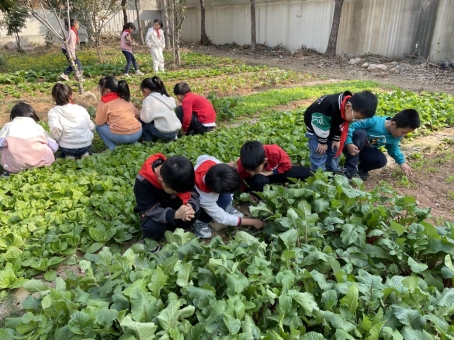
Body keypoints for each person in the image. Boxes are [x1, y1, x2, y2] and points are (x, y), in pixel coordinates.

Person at [133, 153, 201, 252]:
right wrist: (174, 214)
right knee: (152, 227)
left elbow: (192, 192)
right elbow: (148, 208)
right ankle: (151, 243)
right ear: (160, 181)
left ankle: (177, 231)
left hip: (176, 208)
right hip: (156, 213)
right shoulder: (143, 181)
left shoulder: (182, 173)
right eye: (175, 192)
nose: (177, 193)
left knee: (195, 210)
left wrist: (190, 206)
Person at [192, 155, 265, 238]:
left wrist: (225, 164)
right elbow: (222, 218)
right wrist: (252, 222)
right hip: (195, 199)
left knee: (227, 198)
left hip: (213, 180)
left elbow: (200, 157)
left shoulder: (211, 162)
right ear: (217, 192)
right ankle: (199, 220)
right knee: (210, 209)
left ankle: (226, 206)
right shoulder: (205, 198)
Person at [304, 91, 378, 173]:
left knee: (334, 150)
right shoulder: (328, 105)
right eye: (356, 118)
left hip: (332, 126)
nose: (356, 121)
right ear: (347, 107)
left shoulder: (348, 109)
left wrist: (336, 139)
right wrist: (322, 142)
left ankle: (333, 170)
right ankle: (318, 174)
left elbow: (342, 124)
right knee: (319, 151)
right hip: (316, 127)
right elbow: (320, 125)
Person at [342, 109, 421, 180]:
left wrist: (402, 162)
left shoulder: (395, 136)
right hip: (350, 145)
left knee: (381, 160)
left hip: (365, 150)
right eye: (403, 132)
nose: (403, 135)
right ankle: (349, 169)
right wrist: (349, 142)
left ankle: (361, 170)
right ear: (393, 124)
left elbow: (393, 149)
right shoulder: (374, 121)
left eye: (406, 133)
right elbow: (351, 127)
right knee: (361, 133)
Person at [0, 103, 58, 177]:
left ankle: (9, 173)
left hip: (15, 166)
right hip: (41, 164)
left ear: (13, 115)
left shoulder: (8, 126)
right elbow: (54, 147)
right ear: (32, 114)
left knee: (6, 146)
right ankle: (45, 172)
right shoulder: (38, 127)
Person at [236, 141, 312, 193]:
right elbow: (237, 180)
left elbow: (287, 165)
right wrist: (248, 193)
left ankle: (283, 181)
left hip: (275, 172)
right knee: (258, 182)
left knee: (308, 173)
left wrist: (269, 173)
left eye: (254, 169)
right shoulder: (241, 165)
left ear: (265, 161)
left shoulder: (275, 152)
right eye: (248, 170)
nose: (251, 172)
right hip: (259, 178)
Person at [48, 83, 95, 159]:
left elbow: (56, 128)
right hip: (85, 145)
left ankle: (69, 156)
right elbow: (91, 126)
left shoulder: (54, 112)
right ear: (71, 96)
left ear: (53, 97)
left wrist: (56, 140)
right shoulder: (81, 109)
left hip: (67, 148)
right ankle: (84, 154)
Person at [95, 76, 142, 150]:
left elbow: (99, 122)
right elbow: (137, 115)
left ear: (107, 90)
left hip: (121, 137)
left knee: (98, 127)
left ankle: (113, 148)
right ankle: (134, 143)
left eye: (101, 88)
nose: (100, 90)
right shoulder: (124, 98)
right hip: (137, 133)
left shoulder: (104, 102)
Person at [139, 76, 181, 142]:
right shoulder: (165, 96)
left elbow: (146, 119)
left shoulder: (148, 99)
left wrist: (141, 113)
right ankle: (173, 138)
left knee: (142, 121)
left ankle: (147, 141)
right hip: (175, 131)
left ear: (145, 90)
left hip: (164, 133)